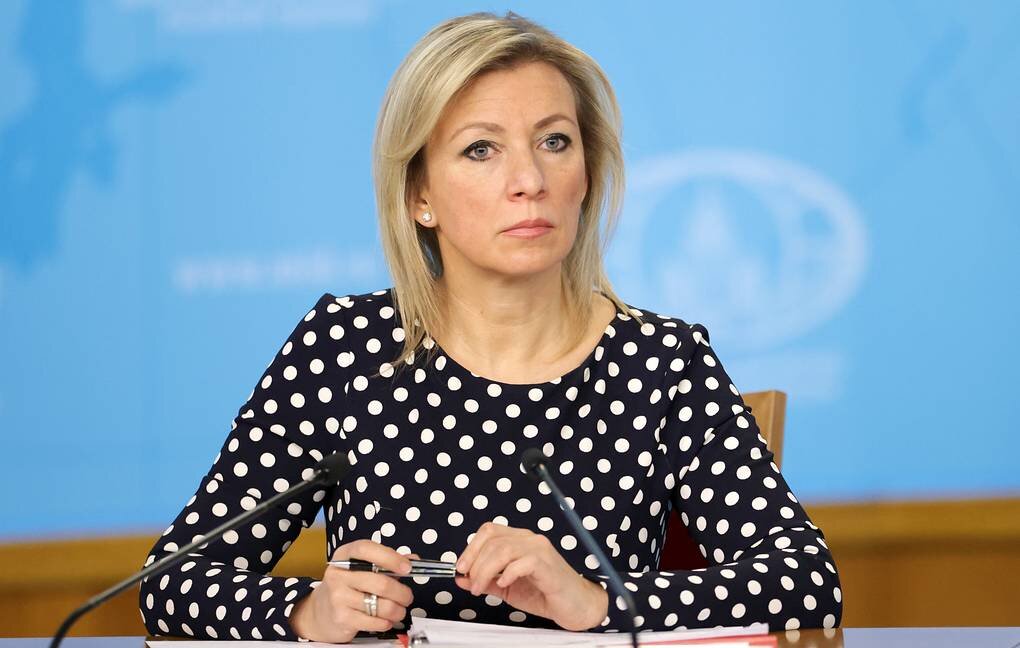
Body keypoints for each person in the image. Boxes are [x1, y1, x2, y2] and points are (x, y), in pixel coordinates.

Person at [139, 11, 842, 643]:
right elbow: (173, 581)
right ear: (419, 195)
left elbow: (806, 581)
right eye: (482, 149)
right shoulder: (345, 349)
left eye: (555, 142)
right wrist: (306, 613)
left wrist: (595, 601)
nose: (530, 179)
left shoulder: (661, 362)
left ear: (587, 174)